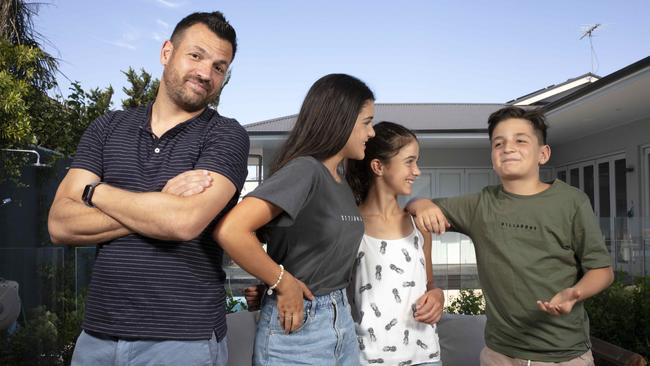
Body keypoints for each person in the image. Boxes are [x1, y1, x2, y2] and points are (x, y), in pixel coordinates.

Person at [47, 11, 248, 366]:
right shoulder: (107, 127)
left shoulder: (225, 135)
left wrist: (97, 193)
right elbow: (61, 224)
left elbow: (182, 224)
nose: (206, 73)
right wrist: (162, 201)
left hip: (182, 340)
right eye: (196, 55)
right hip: (97, 336)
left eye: (220, 66)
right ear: (166, 52)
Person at [407, 106, 614, 365]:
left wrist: (574, 293)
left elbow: (602, 271)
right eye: (498, 143)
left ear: (543, 153)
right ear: (493, 156)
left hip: (564, 355)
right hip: (499, 354)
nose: (508, 148)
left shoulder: (571, 202)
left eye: (520, 140)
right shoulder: (480, 205)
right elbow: (415, 207)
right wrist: (421, 202)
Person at [214, 73, 375, 365]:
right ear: (341, 120)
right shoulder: (305, 170)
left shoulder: (340, 181)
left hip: (341, 322)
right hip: (299, 328)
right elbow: (232, 230)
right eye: (366, 122)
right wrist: (282, 282)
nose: (371, 132)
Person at [346, 121, 444, 366]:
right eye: (409, 161)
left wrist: (438, 295)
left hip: (427, 358)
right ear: (378, 166)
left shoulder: (419, 224)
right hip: (368, 358)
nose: (417, 171)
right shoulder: (349, 225)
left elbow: (429, 283)